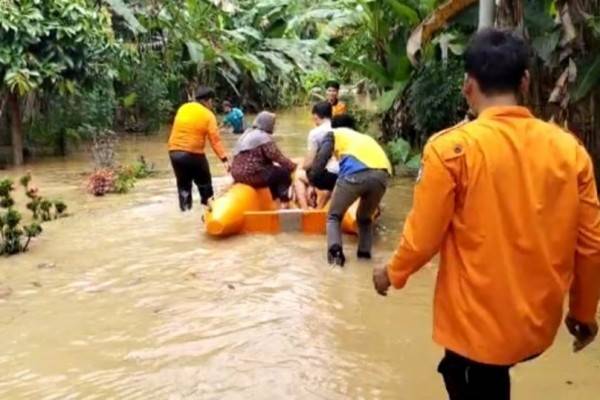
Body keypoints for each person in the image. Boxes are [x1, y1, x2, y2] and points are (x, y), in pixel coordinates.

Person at [373, 29, 600, 400]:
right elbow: (591, 244)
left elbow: (424, 238)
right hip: (537, 328)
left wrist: (391, 273)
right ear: (525, 82)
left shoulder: (451, 150)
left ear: (467, 85)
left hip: (475, 332)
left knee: (469, 375)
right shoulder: (569, 150)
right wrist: (584, 312)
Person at [308, 114, 391, 266]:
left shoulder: (334, 134)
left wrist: (312, 181)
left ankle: (336, 256)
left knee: (333, 216)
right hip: (382, 175)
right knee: (364, 218)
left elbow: (320, 162)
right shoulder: (364, 138)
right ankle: (364, 257)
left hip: (355, 173)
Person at [168, 86, 229, 211]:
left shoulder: (183, 108)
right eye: (212, 101)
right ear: (208, 100)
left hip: (174, 152)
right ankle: (211, 213)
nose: (212, 104)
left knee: (183, 186)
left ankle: (185, 211)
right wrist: (224, 160)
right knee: (205, 185)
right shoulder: (208, 115)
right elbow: (215, 141)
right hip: (193, 153)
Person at [231, 112, 297, 205]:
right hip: (252, 174)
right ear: (268, 124)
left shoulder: (246, 134)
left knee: (273, 172)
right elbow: (278, 157)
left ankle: (274, 201)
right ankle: (284, 203)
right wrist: (294, 167)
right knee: (283, 173)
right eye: (273, 124)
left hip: (236, 174)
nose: (273, 126)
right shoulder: (263, 137)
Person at [294, 102, 339, 209]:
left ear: (315, 116)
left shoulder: (315, 133)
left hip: (328, 173)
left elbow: (310, 162)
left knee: (299, 176)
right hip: (344, 172)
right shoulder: (339, 128)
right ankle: (320, 209)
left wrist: (301, 167)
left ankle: (305, 209)